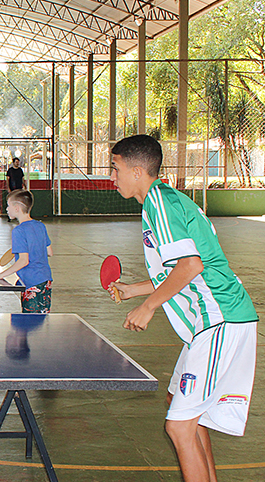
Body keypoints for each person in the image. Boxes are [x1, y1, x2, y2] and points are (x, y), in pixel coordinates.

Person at [106, 134, 258, 482]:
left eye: (115, 169)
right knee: (186, 409)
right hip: (212, 322)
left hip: (221, 319)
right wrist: (134, 290)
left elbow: (191, 266)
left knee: (178, 427)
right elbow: (179, 270)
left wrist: (149, 306)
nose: (111, 177)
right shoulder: (163, 202)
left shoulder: (159, 203)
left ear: (136, 170)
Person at [0, 189, 53, 313]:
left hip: (31, 282)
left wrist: (0, 275)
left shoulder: (19, 230)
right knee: (41, 322)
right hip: (45, 279)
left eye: (8, 206)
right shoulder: (40, 226)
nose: (7, 209)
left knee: (30, 323)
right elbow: (49, 252)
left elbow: (23, 261)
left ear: (16, 208)